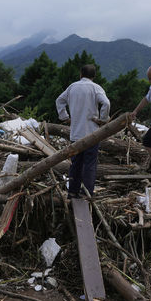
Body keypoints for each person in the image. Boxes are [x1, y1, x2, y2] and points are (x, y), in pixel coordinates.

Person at [56, 64, 110, 200]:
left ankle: (72, 192)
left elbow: (59, 101)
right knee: (89, 164)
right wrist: (102, 120)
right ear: (94, 76)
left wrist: (65, 117)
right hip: (92, 134)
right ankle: (86, 193)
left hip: (76, 134)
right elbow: (106, 104)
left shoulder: (72, 87)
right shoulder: (96, 88)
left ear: (81, 74)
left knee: (76, 164)